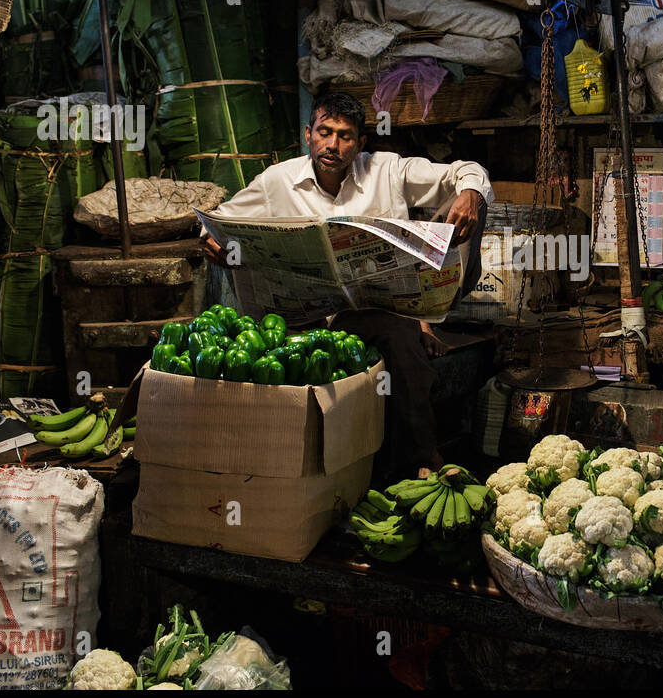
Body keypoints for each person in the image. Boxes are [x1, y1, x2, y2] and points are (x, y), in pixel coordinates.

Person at [202, 91, 493, 473]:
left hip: (368, 315)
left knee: (400, 335)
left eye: (345, 136)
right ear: (309, 134)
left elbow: (466, 169)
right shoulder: (276, 181)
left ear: (360, 143)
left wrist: (470, 192)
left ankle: (420, 461)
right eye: (325, 132)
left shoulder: (387, 170)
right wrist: (216, 243)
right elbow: (218, 221)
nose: (333, 145)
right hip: (297, 319)